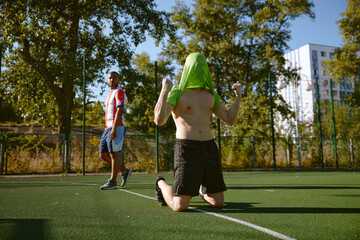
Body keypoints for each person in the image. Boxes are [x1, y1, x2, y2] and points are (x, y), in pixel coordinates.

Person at [154, 53, 242, 211]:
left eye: (202, 66)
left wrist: (238, 97)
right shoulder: (177, 92)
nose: (199, 69)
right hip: (187, 149)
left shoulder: (211, 94)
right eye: (196, 66)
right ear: (188, 68)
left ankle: (201, 189)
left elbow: (229, 119)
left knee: (218, 202)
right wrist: (164, 91)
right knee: (179, 206)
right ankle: (161, 184)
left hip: (209, 148)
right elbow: (159, 120)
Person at [99, 71, 132, 190]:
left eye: (114, 78)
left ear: (118, 80)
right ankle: (124, 171)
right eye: (110, 78)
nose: (112, 80)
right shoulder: (110, 94)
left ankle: (113, 181)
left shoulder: (119, 92)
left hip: (116, 126)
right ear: (108, 80)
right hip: (107, 128)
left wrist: (114, 127)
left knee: (114, 154)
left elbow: (120, 110)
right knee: (103, 154)